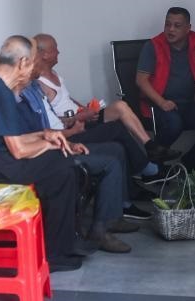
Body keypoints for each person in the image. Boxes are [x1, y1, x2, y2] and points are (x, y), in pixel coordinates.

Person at [0, 35, 84, 272]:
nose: (33, 70)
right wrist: (49, 145)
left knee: (59, 161)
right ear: (23, 62)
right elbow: (19, 150)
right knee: (62, 165)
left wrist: (45, 135)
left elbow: (14, 140)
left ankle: (58, 245)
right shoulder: (0, 92)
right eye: (32, 63)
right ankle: (57, 253)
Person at [19, 80, 137, 253]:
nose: (31, 71)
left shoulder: (34, 88)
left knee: (116, 148)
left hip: (62, 139)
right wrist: (69, 135)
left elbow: (48, 127)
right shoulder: (21, 97)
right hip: (54, 149)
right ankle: (100, 231)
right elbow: (30, 140)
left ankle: (113, 216)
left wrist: (72, 125)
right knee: (110, 158)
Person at [33, 33, 180, 164]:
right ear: (44, 55)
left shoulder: (54, 73)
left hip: (83, 116)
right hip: (74, 126)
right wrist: (80, 116)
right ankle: (148, 167)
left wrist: (85, 109)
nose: (58, 52)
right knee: (118, 127)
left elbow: (67, 98)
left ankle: (150, 146)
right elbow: (51, 121)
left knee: (121, 106)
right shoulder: (39, 84)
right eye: (55, 49)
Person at [135, 7, 195, 170]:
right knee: (174, 124)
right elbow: (141, 81)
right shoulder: (153, 46)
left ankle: (187, 168)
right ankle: (152, 167)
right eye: (168, 24)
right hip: (159, 104)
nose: (171, 30)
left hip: (188, 103)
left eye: (177, 26)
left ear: (188, 28)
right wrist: (162, 102)